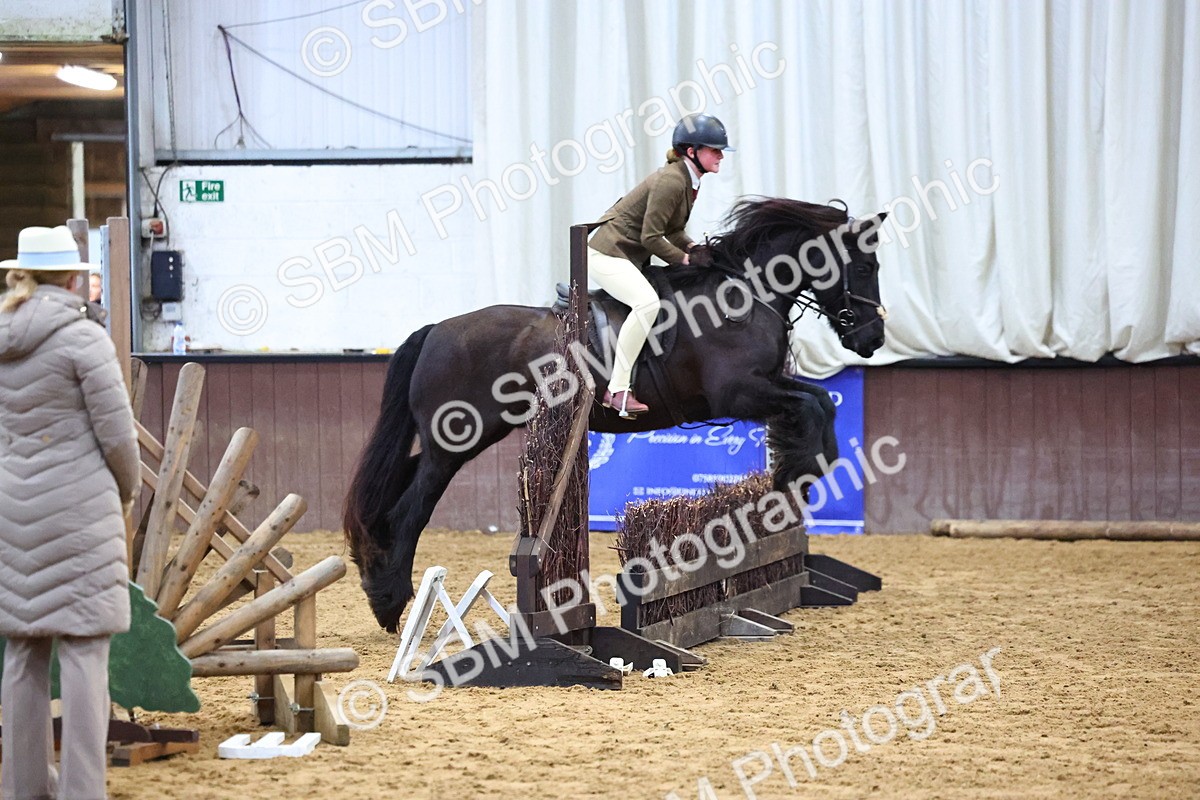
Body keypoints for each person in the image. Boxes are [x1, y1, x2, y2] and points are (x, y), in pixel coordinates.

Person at [0, 226, 139, 800]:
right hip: (81, 518)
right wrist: (125, 493)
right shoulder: (84, 340)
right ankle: (83, 790)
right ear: (73, 276)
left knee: (22, 653)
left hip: (11, 515)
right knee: (85, 656)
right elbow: (119, 440)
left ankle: (21, 789)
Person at [587, 113, 733, 417]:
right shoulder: (671, 180)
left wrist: (693, 247)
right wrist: (684, 259)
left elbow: (672, 229)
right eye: (714, 149)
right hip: (607, 254)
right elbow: (651, 237)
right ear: (692, 152)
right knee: (647, 304)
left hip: (628, 254)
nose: (720, 155)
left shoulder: (689, 179)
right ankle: (617, 390)